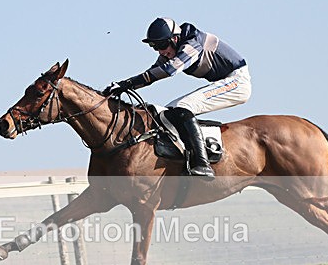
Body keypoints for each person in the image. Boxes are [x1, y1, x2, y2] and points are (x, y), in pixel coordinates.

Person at [103, 18, 251, 179]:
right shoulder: (173, 47)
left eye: (161, 45)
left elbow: (170, 69)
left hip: (237, 82)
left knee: (182, 107)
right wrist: (124, 85)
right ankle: (185, 159)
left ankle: (203, 164)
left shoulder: (193, 42)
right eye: (154, 47)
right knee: (168, 113)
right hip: (224, 81)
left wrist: (129, 83)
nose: (160, 51)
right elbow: (153, 72)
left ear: (174, 39)